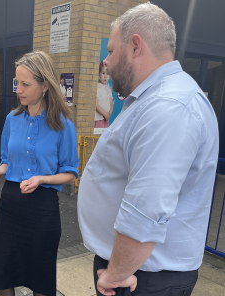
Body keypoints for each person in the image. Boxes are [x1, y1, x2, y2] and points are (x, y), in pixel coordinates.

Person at [78, 3, 219, 296]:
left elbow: (145, 210)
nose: (106, 61)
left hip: (141, 279)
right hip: (136, 272)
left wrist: (115, 274)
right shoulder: (153, 100)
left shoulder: (169, 106)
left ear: (135, 46)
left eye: (111, 50)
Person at [0, 51, 79, 296]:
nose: (19, 89)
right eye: (17, 83)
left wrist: (42, 178)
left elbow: (71, 173)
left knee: (40, 277)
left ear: (45, 85)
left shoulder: (63, 124)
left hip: (43, 208)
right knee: (3, 273)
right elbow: (7, 160)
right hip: (10, 204)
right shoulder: (12, 119)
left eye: (26, 84)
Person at [94, 61, 113, 128]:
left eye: (107, 74)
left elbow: (111, 103)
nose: (105, 76)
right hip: (98, 119)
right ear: (99, 74)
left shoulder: (108, 89)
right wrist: (105, 114)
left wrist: (109, 112)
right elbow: (96, 105)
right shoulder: (97, 88)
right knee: (97, 137)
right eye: (103, 73)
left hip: (106, 119)